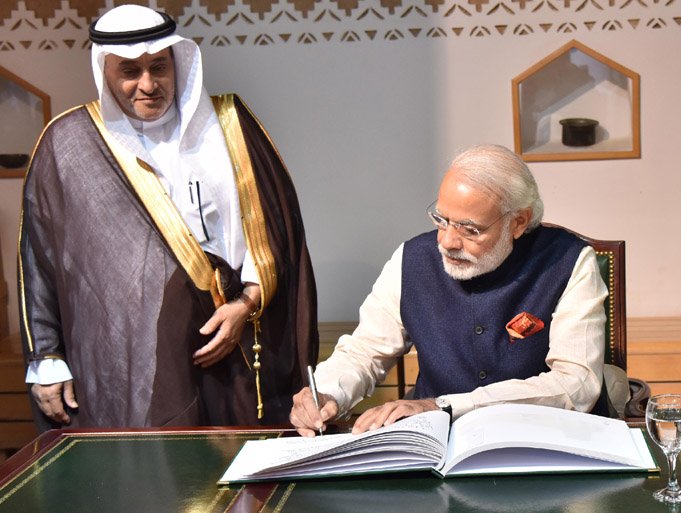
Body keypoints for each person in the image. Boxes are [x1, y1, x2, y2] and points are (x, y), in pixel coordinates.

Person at [18, 5, 317, 430]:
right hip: (133, 365)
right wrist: (46, 356)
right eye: (129, 71)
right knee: (156, 466)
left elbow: (277, 230)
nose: (148, 84)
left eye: (159, 66)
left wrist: (245, 305)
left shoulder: (230, 125)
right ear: (105, 71)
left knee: (244, 462)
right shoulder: (69, 144)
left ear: (178, 62)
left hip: (236, 346)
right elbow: (40, 258)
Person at [291, 144, 608, 437]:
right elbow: (364, 351)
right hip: (436, 443)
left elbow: (576, 383)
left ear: (518, 222)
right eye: (442, 220)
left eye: (470, 230)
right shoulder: (412, 260)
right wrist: (328, 393)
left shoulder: (568, 261)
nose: (447, 242)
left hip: (545, 441)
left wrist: (445, 406)